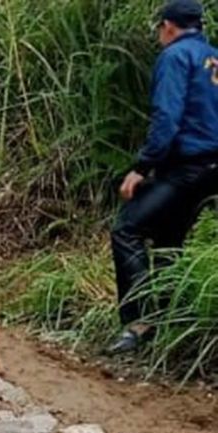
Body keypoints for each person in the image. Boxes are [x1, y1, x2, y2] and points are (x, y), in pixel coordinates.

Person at [109, 0, 218, 354]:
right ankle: (175, 321)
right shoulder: (212, 57)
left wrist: (141, 167)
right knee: (169, 239)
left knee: (127, 230)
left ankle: (139, 322)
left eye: (160, 29)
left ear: (168, 27)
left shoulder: (175, 57)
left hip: (187, 167)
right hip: (212, 169)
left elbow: (166, 118)